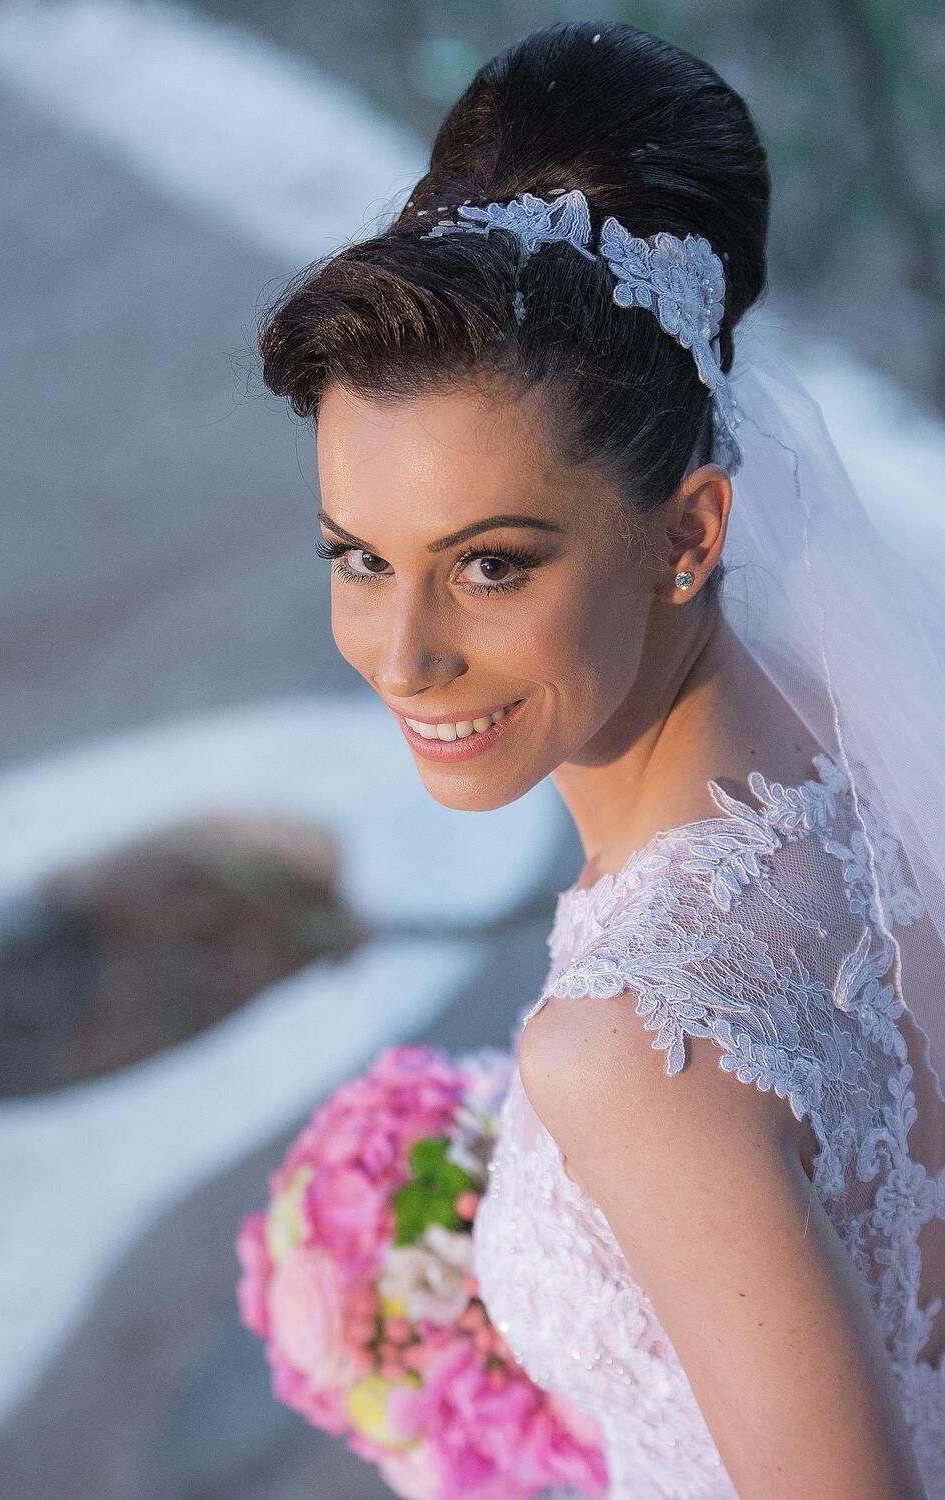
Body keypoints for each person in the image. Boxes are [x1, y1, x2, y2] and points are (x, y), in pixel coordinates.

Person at [255, 19, 945, 1498]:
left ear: (689, 531)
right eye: (358, 556)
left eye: (491, 566)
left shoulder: (639, 1051)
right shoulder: (847, 719)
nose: (403, 656)